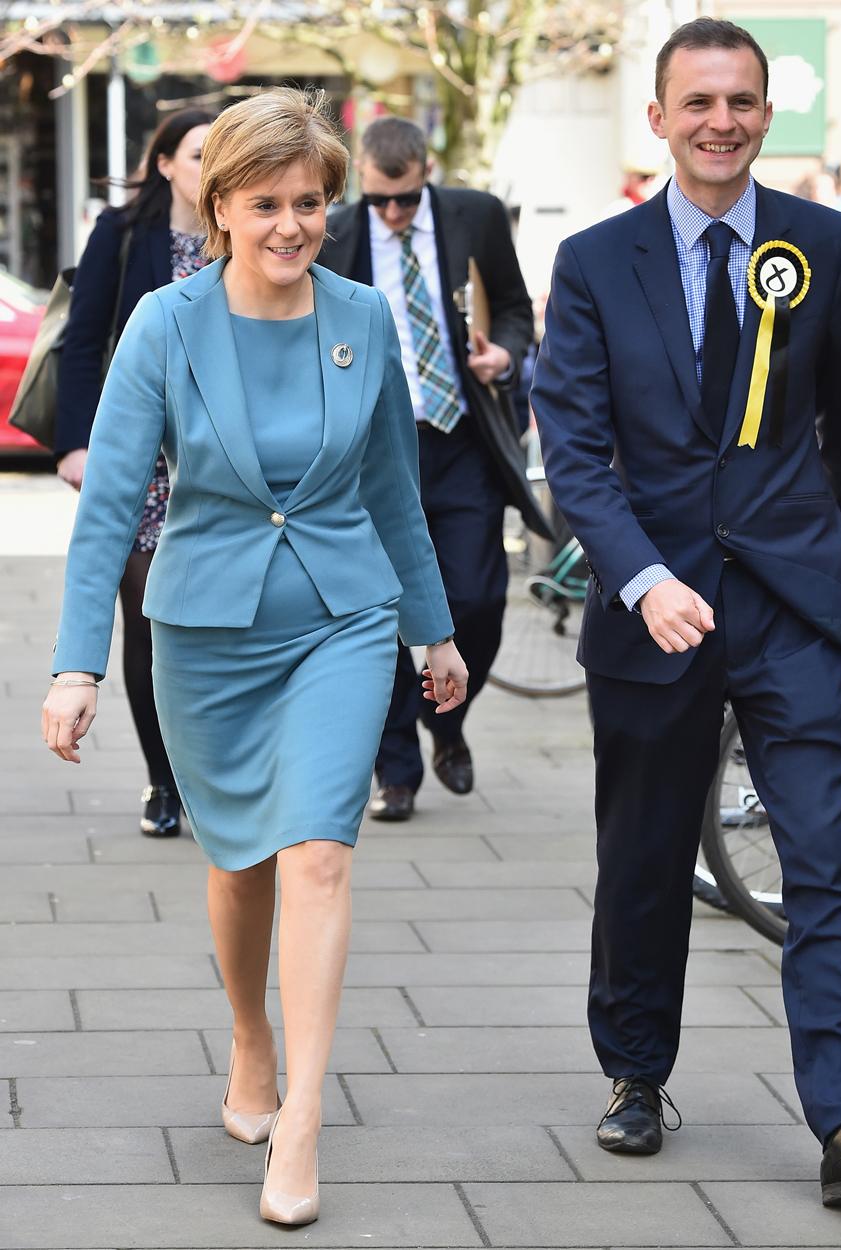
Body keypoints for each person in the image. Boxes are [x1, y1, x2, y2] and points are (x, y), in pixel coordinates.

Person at [41, 87, 467, 1227]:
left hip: (340, 616)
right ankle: (248, 1034)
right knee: (239, 864)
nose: (291, 225)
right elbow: (110, 505)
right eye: (266, 203)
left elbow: (390, 488)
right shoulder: (164, 324)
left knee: (319, 855)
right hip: (206, 629)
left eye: (310, 203)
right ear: (218, 203)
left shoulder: (363, 317)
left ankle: (307, 1120)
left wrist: (433, 628)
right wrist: (78, 663)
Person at [531, 17, 841, 1208]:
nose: (720, 121)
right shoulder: (597, 261)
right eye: (697, 101)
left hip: (794, 601)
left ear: (766, 115)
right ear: (658, 118)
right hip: (654, 605)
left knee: (824, 858)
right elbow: (577, 446)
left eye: (741, 102)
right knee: (645, 852)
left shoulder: (821, 242)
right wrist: (643, 579)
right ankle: (636, 1073)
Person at [317, 116, 546, 822]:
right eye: (379, 199)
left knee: (477, 599)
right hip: (375, 450)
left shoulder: (473, 215)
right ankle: (396, 766)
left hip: (461, 442)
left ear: (426, 175)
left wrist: (503, 355)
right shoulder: (336, 232)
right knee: (382, 610)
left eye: (406, 199)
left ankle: (445, 725)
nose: (391, 214)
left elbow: (512, 308)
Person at [55, 108, 213, 838]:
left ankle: (211, 770)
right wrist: (76, 445)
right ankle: (163, 780)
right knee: (150, 625)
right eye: (197, 153)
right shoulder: (121, 236)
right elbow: (82, 344)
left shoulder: (244, 232)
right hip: (143, 461)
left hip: (223, 461)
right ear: (163, 163)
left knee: (212, 628)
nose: (209, 165)